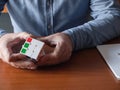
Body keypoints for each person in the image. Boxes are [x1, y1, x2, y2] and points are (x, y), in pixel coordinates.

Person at [0, 0, 120, 69]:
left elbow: (113, 17)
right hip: (20, 60)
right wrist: (2, 38)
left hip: (79, 60)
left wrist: (72, 38)